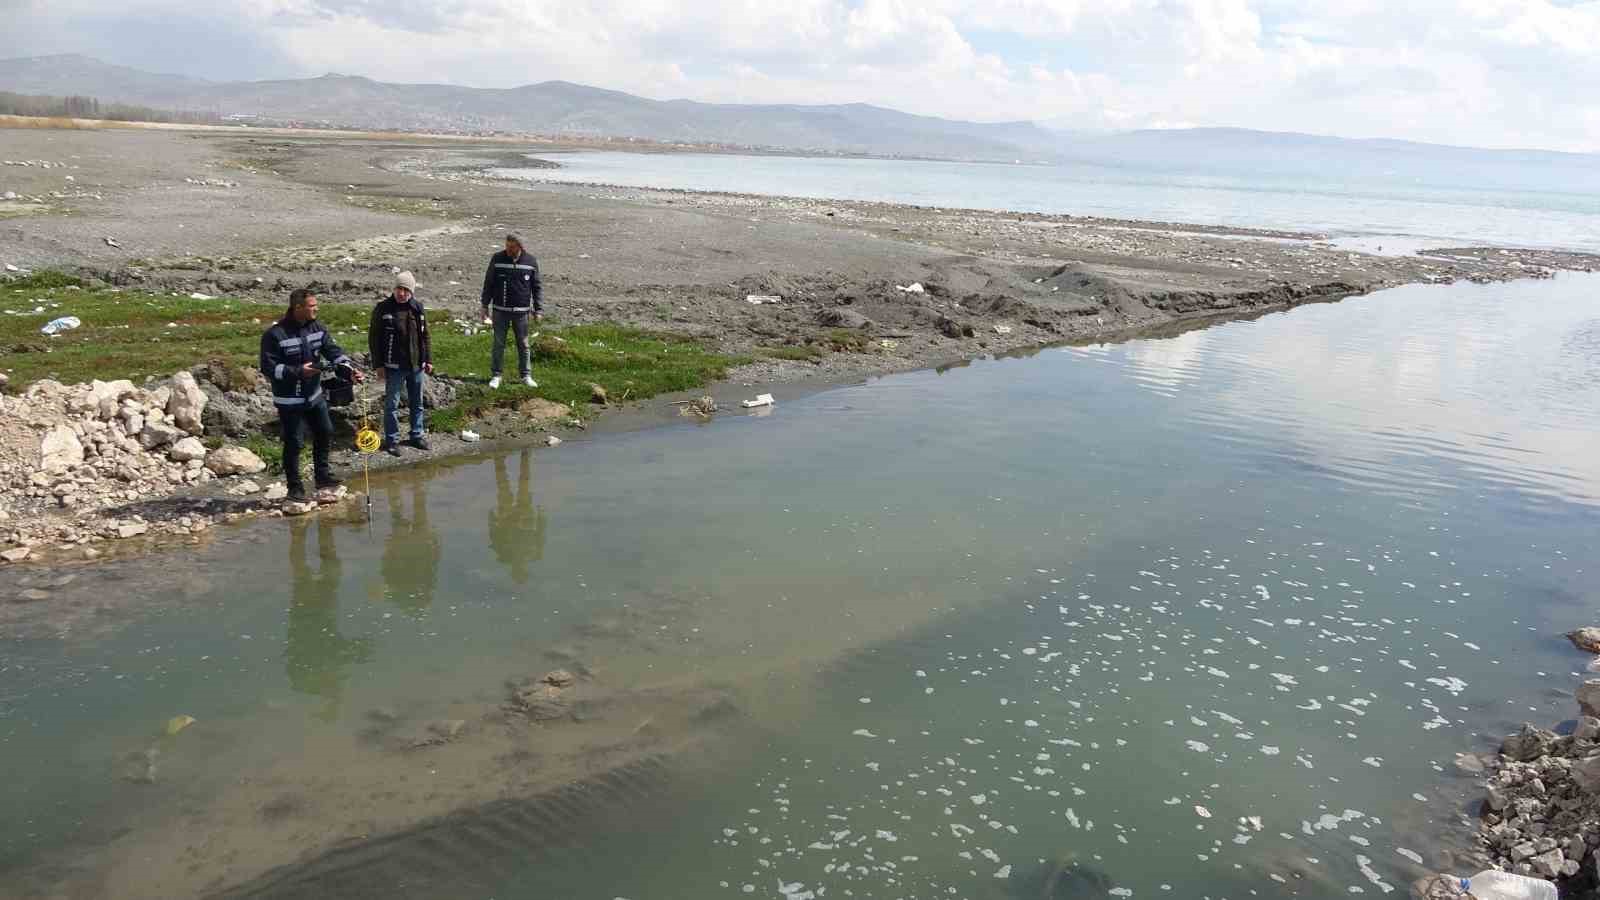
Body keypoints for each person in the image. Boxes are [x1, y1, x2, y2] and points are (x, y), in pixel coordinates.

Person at [260, 287, 363, 502]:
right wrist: (298, 372)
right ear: (298, 307)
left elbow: (334, 352)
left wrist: (349, 370)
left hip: (315, 395)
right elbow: (269, 369)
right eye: (312, 306)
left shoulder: (317, 328)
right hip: (289, 400)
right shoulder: (274, 335)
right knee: (294, 442)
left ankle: (322, 477)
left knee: (325, 431)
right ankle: (295, 488)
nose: (316, 309)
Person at [369, 271, 433, 456]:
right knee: (392, 404)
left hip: (416, 366)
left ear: (411, 291)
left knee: (417, 402)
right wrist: (378, 365)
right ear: (394, 289)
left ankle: (416, 435)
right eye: (399, 288)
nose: (402, 293)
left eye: (406, 290)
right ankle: (392, 440)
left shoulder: (417, 308)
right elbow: (374, 338)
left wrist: (427, 359)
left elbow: (425, 336)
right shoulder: (383, 308)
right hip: (393, 366)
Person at [480, 233, 542, 390]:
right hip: (500, 310)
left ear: (520, 247)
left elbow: (536, 287)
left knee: (523, 344)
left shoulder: (531, 261)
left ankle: (526, 375)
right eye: (506, 246)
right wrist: (484, 306)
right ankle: (496, 375)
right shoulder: (497, 258)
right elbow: (489, 283)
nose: (508, 249)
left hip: (522, 312)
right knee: (498, 343)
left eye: (512, 247)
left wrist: (538, 309)